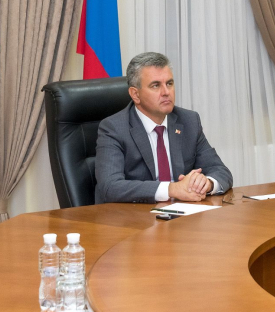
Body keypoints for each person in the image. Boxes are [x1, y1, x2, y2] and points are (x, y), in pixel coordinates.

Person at [95, 52, 233, 203]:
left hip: (182, 212)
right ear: (135, 94)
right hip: (135, 214)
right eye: (156, 85)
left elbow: (221, 171)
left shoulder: (189, 121)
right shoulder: (114, 128)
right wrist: (172, 189)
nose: (166, 92)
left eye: (169, 83)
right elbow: (110, 187)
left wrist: (206, 183)